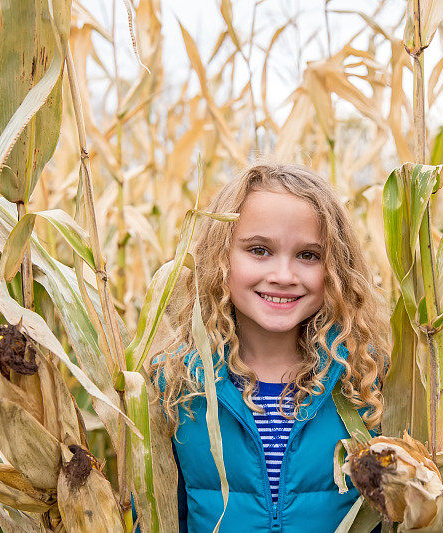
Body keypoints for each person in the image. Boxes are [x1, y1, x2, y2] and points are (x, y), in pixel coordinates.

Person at [146, 162, 389, 532]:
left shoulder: (365, 383)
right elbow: (158, 516)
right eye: (259, 250)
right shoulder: (175, 385)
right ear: (220, 257)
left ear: (336, 269)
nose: (283, 276)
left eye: (308, 255)